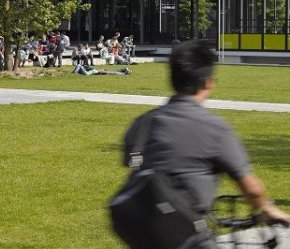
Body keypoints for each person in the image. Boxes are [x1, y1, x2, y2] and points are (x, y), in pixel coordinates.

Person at [112, 40, 290, 248]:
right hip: (187, 234)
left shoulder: (142, 123)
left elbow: (134, 171)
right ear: (208, 82)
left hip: (143, 233)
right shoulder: (214, 128)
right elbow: (251, 189)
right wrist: (269, 209)